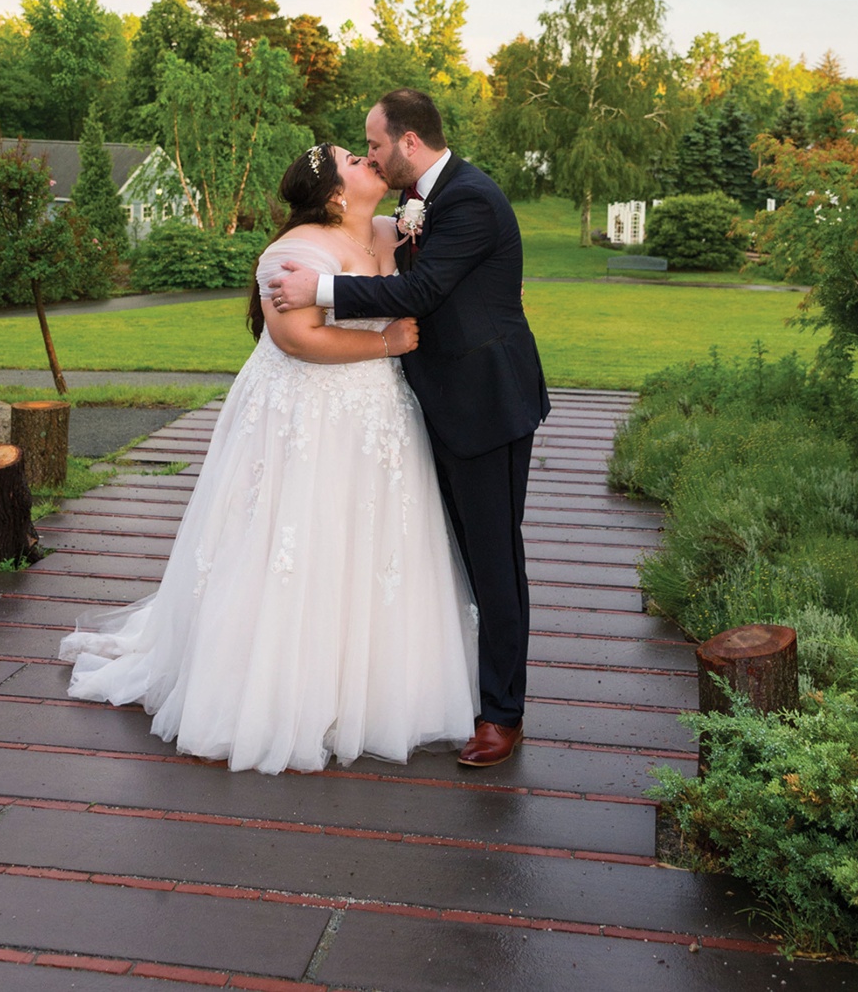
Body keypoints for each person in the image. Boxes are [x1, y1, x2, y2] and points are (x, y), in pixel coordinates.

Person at [59, 143, 478, 775]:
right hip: (308, 415)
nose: (371, 164)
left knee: (373, 546)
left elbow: (441, 279)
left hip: (378, 419)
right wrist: (386, 342)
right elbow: (298, 338)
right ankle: (277, 692)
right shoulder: (293, 252)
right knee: (292, 538)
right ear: (337, 194)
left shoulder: (394, 233)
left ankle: (376, 687)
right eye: (356, 162)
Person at [270, 89, 549, 767]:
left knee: (493, 559)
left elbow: (422, 295)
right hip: (438, 401)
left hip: (486, 404)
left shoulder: (470, 198)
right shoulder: (420, 201)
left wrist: (321, 291)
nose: (369, 154)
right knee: (457, 557)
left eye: (375, 144)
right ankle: (464, 688)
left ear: (410, 142)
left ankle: (502, 714)